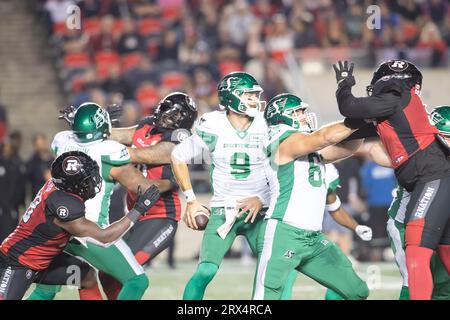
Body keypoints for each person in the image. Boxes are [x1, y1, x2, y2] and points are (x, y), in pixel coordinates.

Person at [28, 102, 172, 300]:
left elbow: (80, 142)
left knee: (70, 283)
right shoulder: (109, 152)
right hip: (89, 230)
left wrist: (82, 125)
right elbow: (141, 186)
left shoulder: (61, 141)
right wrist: (172, 182)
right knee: (137, 281)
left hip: (55, 227)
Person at [334, 59, 450, 299]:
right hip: (431, 182)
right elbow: (351, 129)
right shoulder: (403, 114)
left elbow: (350, 107)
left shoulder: (394, 95)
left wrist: (344, 83)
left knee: (417, 255)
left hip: (431, 180)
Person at [252, 93, 369, 300]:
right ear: (282, 117)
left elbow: (347, 149)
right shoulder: (282, 140)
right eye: (298, 112)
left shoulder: (305, 147)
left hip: (313, 238)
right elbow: (324, 137)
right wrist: (360, 117)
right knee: (266, 297)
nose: (304, 116)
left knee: (356, 291)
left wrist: (367, 122)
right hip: (284, 232)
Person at [0, 151, 160, 300]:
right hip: (18, 263)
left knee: (85, 276)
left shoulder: (58, 187)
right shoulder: (65, 206)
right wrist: (139, 209)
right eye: (87, 180)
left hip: (43, 261)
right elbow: (105, 237)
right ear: (74, 185)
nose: (93, 181)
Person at [171, 72, 273, 300]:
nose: (255, 100)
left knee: (274, 273)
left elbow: (280, 168)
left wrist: (263, 199)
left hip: (261, 208)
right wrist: (192, 199)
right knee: (205, 271)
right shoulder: (213, 124)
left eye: (255, 95)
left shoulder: (267, 124)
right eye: (248, 95)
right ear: (232, 98)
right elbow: (178, 156)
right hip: (223, 208)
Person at [98, 92, 198, 299]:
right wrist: (98, 127)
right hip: (135, 215)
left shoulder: (179, 139)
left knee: (126, 269)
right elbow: (120, 136)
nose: (165, 117)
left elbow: (146, 154)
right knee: (106, 272)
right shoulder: (146, 125)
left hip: (161, 217)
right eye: (166, 111)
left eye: (174, 116)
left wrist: (110, 149)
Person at [366, 105, 450, 300]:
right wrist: (401, 160)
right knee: (414, 279)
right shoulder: (419, 150)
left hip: (440, 223)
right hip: (406, 221)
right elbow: (375, 150)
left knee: (443, 284)